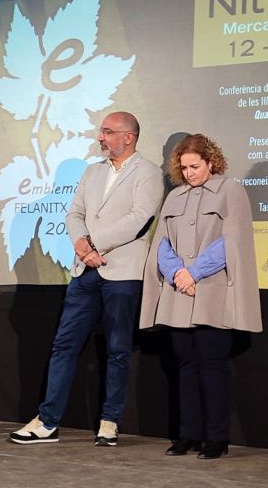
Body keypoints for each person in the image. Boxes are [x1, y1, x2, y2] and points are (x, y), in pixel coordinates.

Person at [10, 111, 163, 447]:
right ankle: (47, 421)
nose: (100, 137)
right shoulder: (93, 171)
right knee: (64, 345)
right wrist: (81, 244)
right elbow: (74, 212)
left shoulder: (148, 172)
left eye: (107, 131)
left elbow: (140, 218)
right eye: (101, 131)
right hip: (84, 271)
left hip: (122, 272)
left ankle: (110, 421)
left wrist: (94, 244)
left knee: (118, 349)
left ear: (128, 137)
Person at [139, 134, 261, 459]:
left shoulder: (230, 191)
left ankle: (216, 437)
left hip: (212, 290)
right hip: (179, 293)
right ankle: (187, 434)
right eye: (184, 168)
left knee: (212, 366)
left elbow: (232, 241)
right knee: (185, 365)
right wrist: (178, 273)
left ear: (210, 162)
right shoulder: (175, 196)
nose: (189, 173)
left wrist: (193, 273)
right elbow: (161, 243)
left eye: (195, 166)